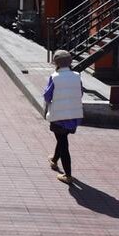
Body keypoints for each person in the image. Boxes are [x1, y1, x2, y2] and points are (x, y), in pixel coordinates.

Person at [44, 50, 83, 184]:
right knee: (62, 138)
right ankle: (54, 160)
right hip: (73, 115)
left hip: (59, 115)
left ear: (56, 63)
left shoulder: (54, 77)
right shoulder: (77, 76)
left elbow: (47, 96)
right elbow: (80, 93)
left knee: (63, 143)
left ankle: (68, 175)